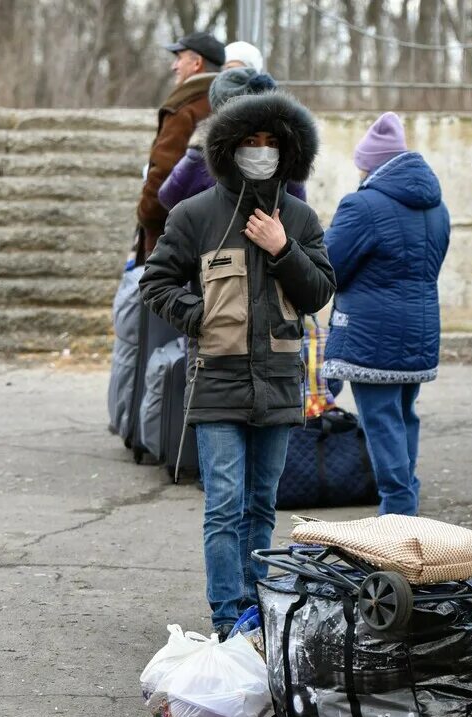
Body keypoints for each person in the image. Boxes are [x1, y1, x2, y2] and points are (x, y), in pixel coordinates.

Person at [139, 91, 334, 639]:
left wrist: (282, 248)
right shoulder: (195, 214)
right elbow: (156, 282)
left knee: (262, 504)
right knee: (223, 504)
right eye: (251, 142)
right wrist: (200, 316)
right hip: (218, 380)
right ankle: (228, 619)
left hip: (276, 382)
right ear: (229, 148)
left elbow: (319, 291)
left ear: (290, 151)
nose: (262, 151)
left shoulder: (297, 217)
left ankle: (260, 610)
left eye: (272, 143)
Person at [322, 112, 450, 516]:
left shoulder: (362, 205)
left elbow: (329, 267)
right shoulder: (437, 207)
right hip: (420, 326)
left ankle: (397, 506)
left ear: (371, 162)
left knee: (380, 419)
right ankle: (405, 493)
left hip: (371, 333)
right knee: (403, 413)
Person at [158, 69, 307, 210]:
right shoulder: (287, 155)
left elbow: (170, 196)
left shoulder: (200, 154)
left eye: (271, 142)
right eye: (251, 142)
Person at [135, 31, 225, 259]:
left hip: (172, 235)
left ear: (197, 63)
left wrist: (146, 215)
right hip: (216, 233)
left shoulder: (184, 108)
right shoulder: (229, 104)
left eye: (179, 58)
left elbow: (163, 171)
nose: (174, 66)